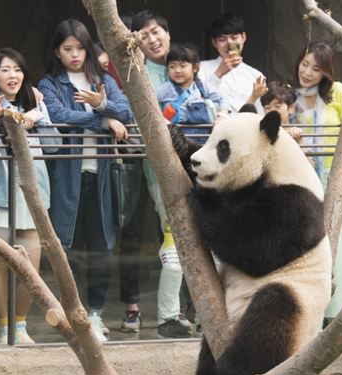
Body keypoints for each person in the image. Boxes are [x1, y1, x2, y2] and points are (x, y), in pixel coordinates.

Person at [38, 18, 133, 343]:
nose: (75, 54)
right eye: (68, 49)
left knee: (103, 248)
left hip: (102, 176)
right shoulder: (51, 83)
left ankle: (95, 314)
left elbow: (128, 112)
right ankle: (75, 315)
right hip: (68, 176)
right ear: (57, 52)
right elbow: (57, 116)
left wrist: (103, 105)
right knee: (71, 248)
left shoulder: (102, 79)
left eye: (79, 48)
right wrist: (104, 120)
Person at [0, 48, 60, 345]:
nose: (12, 75)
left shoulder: (36, 103)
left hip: (33, 193)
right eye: (5, 69)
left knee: (30, 266)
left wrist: (37, 120)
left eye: (17, 69)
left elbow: (55, 144)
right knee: (0, 264)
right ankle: (5, 327)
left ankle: (20, 326)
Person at [132, 10, 193, 338]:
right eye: (144, 35)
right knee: (174, 242)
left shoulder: (189, 67)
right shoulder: (139, 73)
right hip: (163, 174)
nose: (153, 39)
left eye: (156, 32)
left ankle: (182, 313)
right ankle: (168, 316)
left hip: (199, 170)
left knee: (193, 244)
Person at [290, 41, 342, 322]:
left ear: (327, 72)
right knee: (307, 243)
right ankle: (310, 311)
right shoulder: (292, 96)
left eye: (316, 68)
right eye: (305, 64)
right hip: (302, 179)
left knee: (336, 240)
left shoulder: (337, 92)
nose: (308, 72)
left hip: (333, 177)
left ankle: (335, 313)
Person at [198, 13, 266, 116]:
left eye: (234, 38)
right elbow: (198, 102)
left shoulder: (255, 75)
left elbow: (260, 113)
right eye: (222, 39)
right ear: (214, 42)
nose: (229, 43)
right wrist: (218, 74)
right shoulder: (201, 68)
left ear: (243, 37)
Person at [157, 43, 225, 136]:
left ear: (195, 67)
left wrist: (221, 116)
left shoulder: (202, 87)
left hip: (204, 141)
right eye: (172, 66)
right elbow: (149, 105)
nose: (177, 70)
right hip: (176, 142)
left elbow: (222, 100)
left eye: (182, 66)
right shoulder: (164, 89)